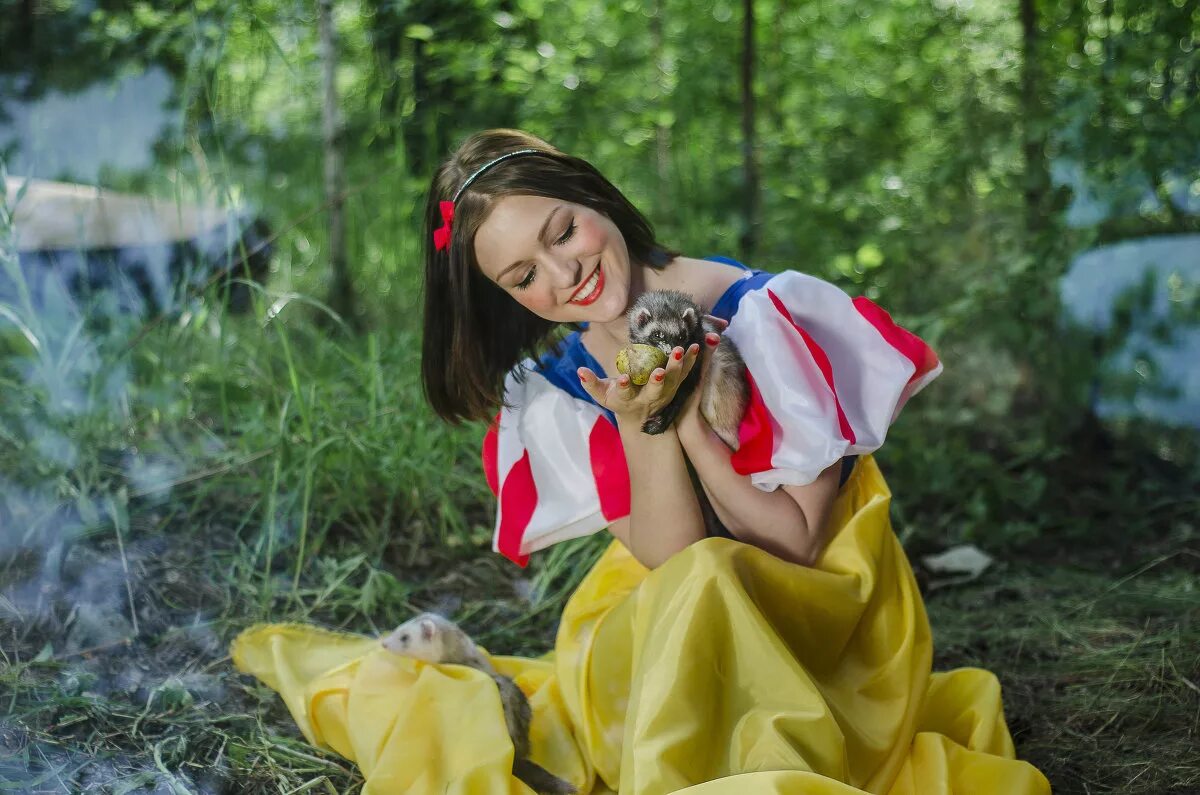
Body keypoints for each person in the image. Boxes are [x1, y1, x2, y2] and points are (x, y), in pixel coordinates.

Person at [232, 130, 1051, 795]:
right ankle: (576, 734)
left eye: (564, 231)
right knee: (695, 587)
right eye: (525, 275)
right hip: (674, 606)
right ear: (509, 296)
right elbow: (672, 557)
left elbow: (797, 544)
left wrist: (690, 418)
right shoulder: (563, 386)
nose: (565, 274)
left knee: (715, 587)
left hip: (823, 611)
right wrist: (642, 423)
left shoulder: (764, 316)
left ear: (593, 197)